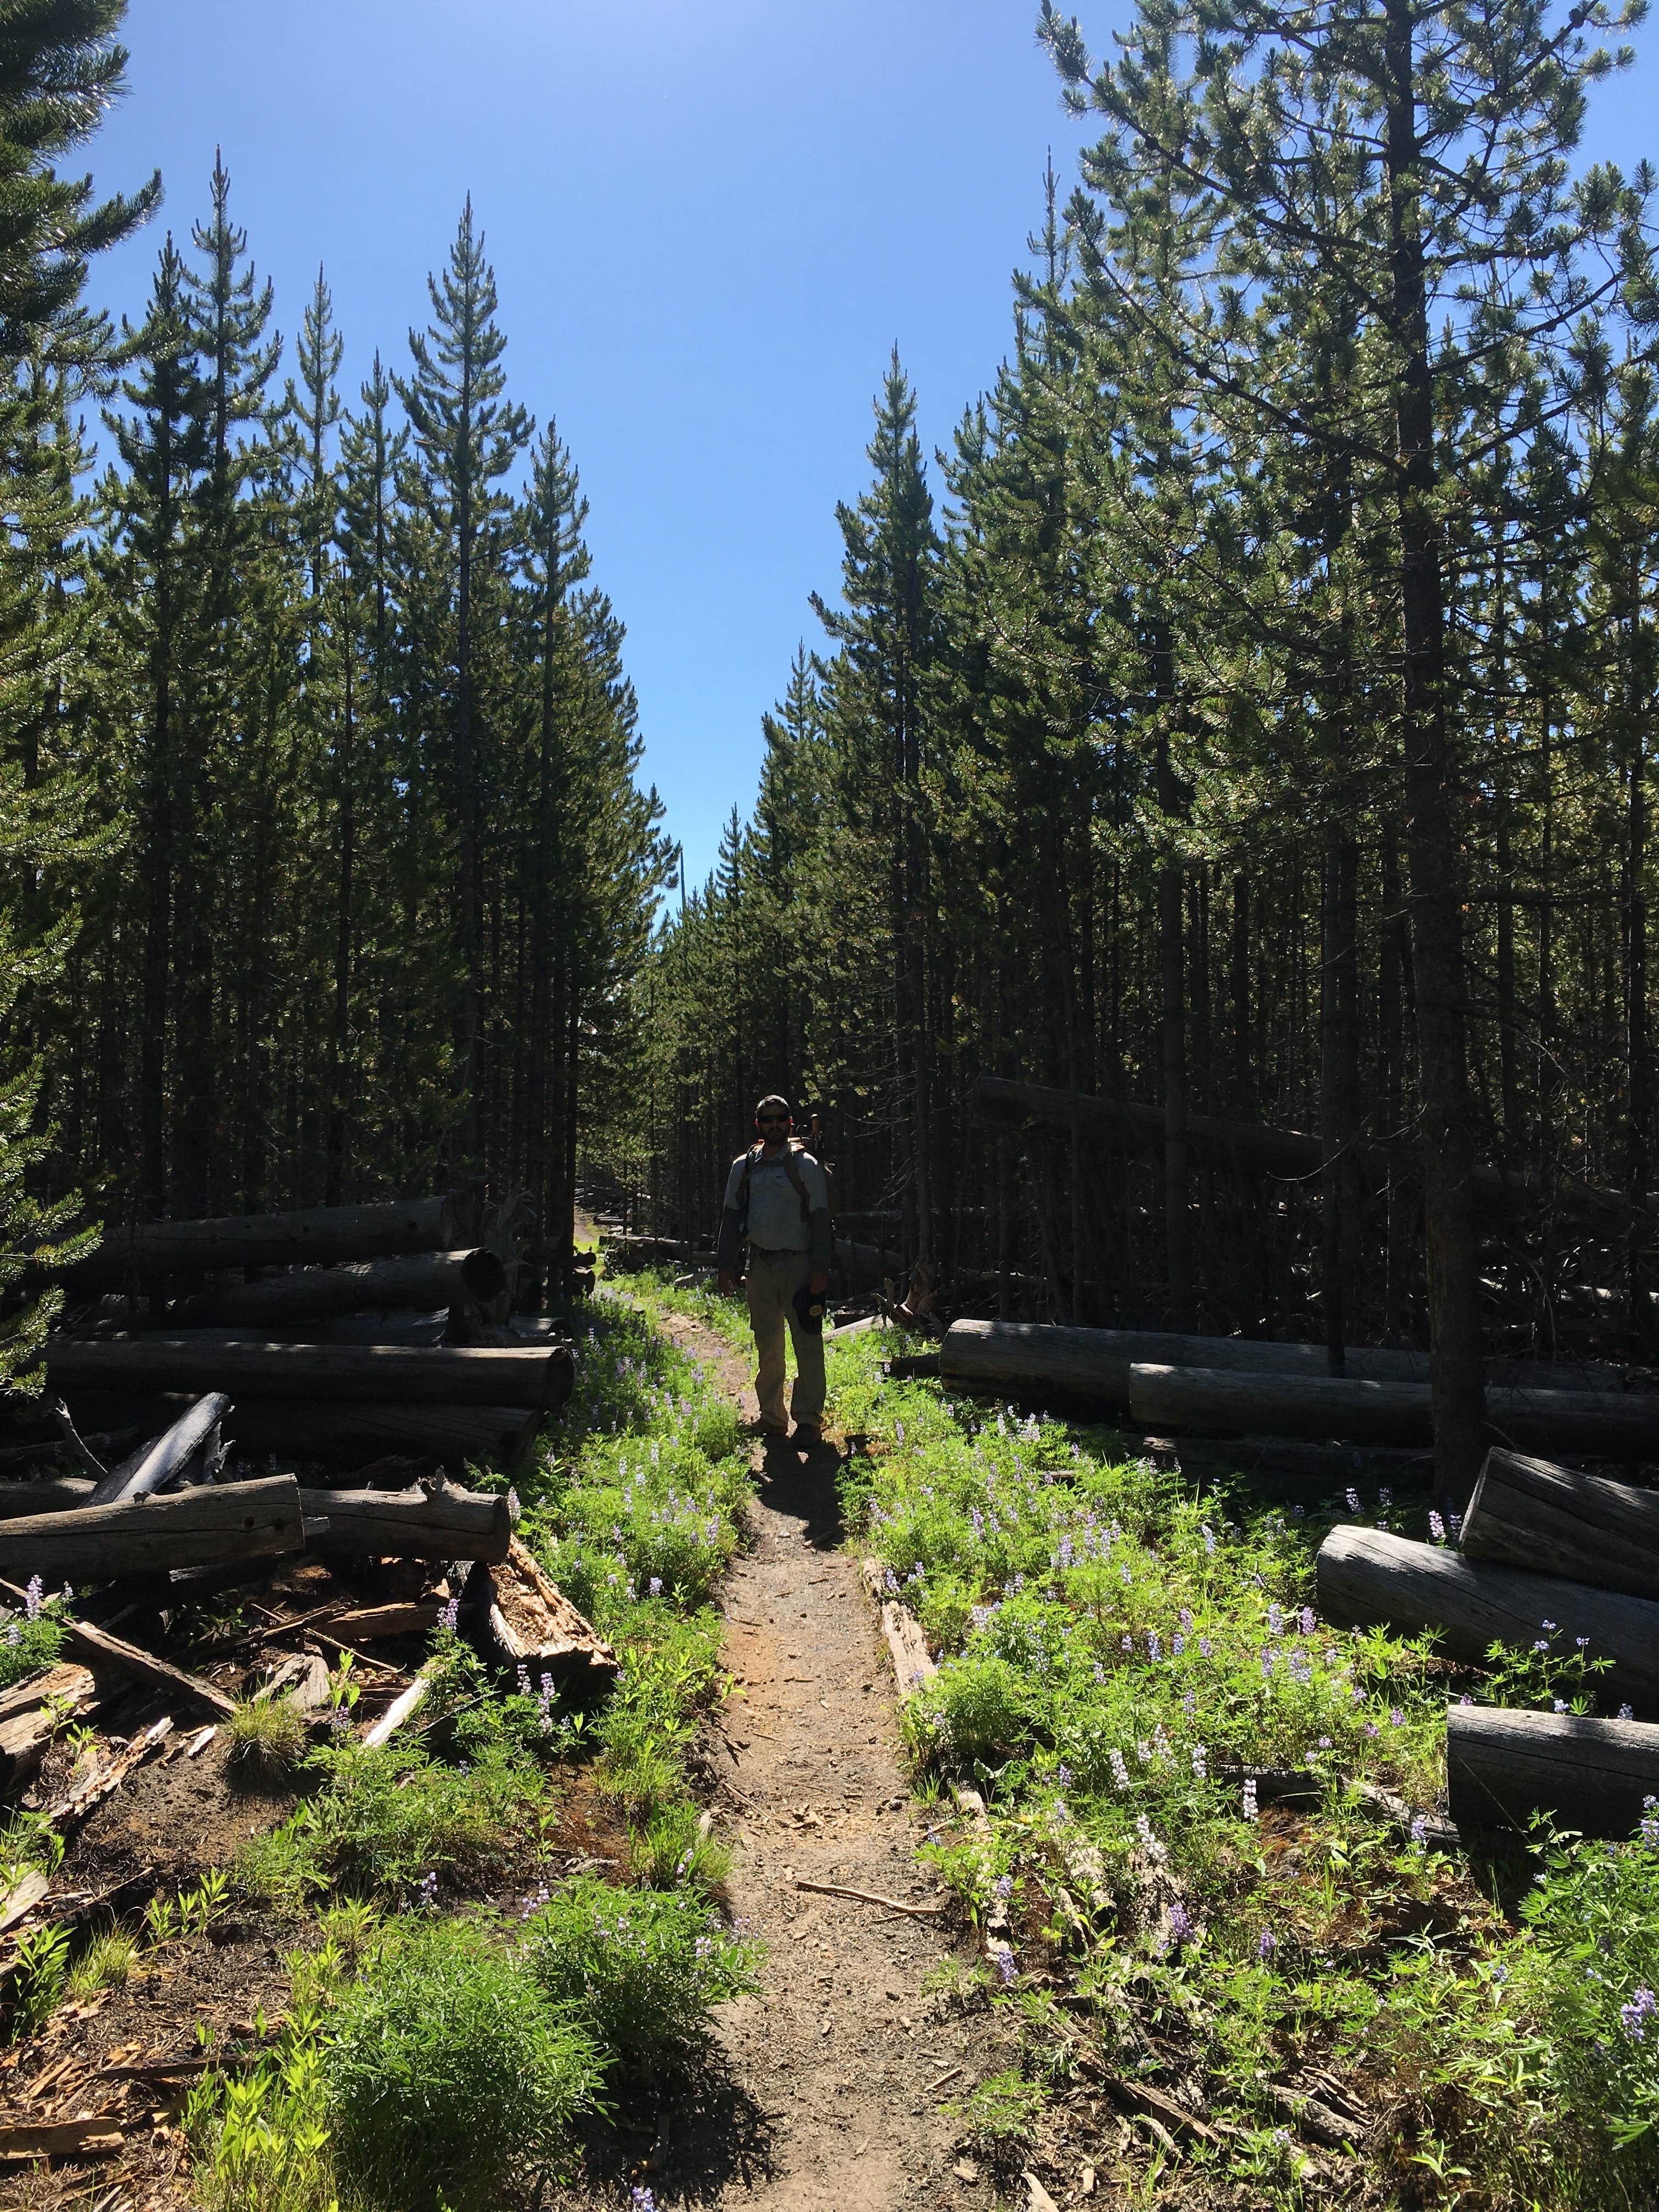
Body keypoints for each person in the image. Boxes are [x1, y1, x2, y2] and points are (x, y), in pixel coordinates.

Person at [715, 1094, 831, 1441]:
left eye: (781, 1119)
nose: (775, 1125)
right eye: (768, 1120)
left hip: (800, 1266)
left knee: (807, 1342)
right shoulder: (744, 1167)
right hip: (760, 1266)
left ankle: (809, 1419)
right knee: (767, 1343)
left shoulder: (806, 1166)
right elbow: (731, 1218)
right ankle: (772, 1417)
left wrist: (820, 1271)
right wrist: (726, 1266)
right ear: (758, 1125)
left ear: (791, 1124)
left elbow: (821, 1222)